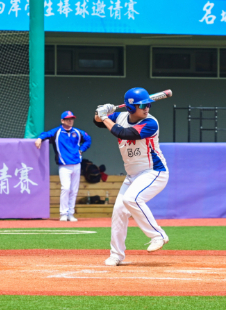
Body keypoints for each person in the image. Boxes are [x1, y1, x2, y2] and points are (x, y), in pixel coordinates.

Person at [94, 87, 169, 266]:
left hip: (154, 172)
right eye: (142, 105)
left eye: (148, 104)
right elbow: (97, 122)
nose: (146, 108)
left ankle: (158, 235)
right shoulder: (119, 117)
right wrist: (101, 112)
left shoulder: (151, 123)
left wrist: (104, 116)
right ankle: (116, 255)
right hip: (133, 175)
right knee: (119, 212)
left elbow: (124, 133)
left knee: (132, 199)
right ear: (130, 108)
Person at [35, 111, 92, 222]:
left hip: (76, 164)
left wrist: (82, 150)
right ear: (62, 120)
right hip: (64, 165)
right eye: (68, 119)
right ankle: (63, 214)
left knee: (74, 190)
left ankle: (70, 213)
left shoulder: (77, 132)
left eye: (72, 119)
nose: (70, 121)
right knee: (65, 188)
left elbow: (88, 139)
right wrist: (39, 138)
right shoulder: (57, 131)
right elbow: (45, 134)